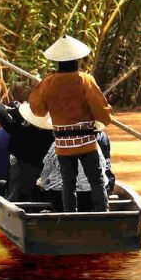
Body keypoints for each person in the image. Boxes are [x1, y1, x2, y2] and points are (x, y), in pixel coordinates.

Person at [28, 35, 113, 213]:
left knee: (69, 183)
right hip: (86, 143)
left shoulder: (48, 84)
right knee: (96, 180)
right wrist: (106, 118)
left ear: (58, 62)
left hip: (63, 145)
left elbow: (38, 111)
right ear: (77, 60)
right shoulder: (85, 80)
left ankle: (69, 216)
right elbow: (102, 112)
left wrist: (40, 87)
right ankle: (103, 215)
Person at [35, 132, 116, 210]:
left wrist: (42, 183)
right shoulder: (93, 144)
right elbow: (104, 168)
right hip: (90, 196)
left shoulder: (57, 144)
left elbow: (45, 175)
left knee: (47, 186)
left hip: (61, 197)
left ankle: (67, 215)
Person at [0, 100, 54, 201]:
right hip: (42, 184)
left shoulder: (21, 133)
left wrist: (4, 107)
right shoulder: (51, 136)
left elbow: (2, 116)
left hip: (22, 183)